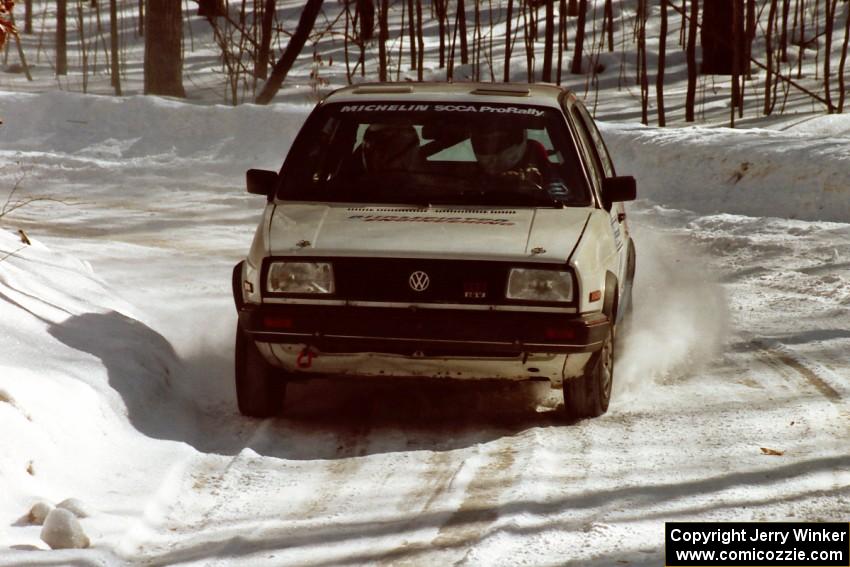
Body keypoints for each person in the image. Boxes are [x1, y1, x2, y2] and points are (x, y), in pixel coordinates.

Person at [470, 125, 550, 187]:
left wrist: (533, 181)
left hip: (528, 202)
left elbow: (552, 182)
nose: (491, 145)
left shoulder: (533, 149)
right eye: (485, 141)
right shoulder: (468, 153)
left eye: (500, 139)